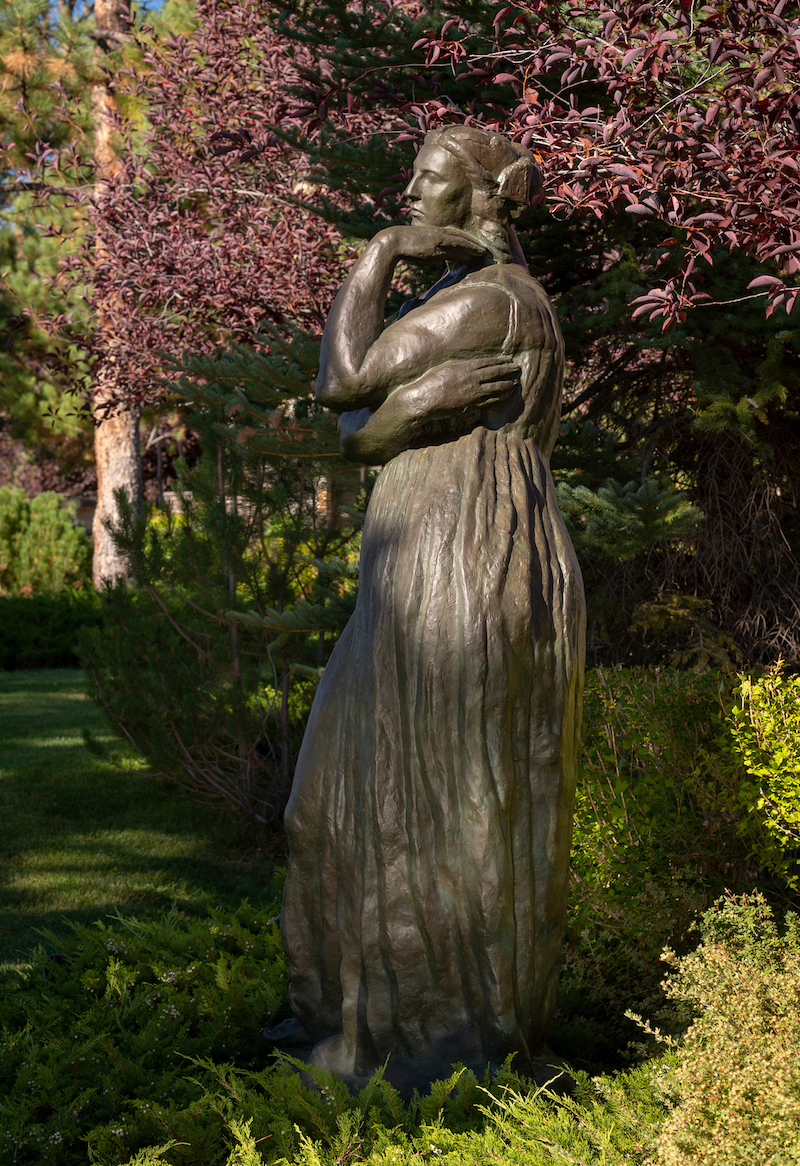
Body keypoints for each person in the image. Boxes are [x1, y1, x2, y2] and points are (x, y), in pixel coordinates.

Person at [279, 125, 586, 1085]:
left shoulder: (490, 303)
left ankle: (446, 1045)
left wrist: (375, 256)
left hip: (460, 564)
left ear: (485, 195)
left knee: (445, 805)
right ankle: (356, 1023)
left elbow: (341, 384)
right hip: (431, 563)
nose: (411, 189)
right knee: (334, 801)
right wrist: (394, 422)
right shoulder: (476, 300)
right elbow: (364, 426)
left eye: (433, 177)